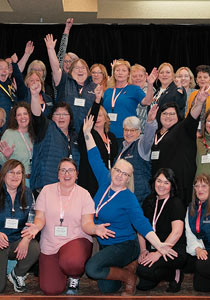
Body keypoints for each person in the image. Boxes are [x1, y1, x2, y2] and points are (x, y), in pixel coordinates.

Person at [81, 115, 176, 296]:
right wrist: (87, 133)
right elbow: (94, 157)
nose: (119, 175)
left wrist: (158, 244)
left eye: (125, 174)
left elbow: (141, 223)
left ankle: (129, 276)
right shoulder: (105, 180)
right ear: (113, 170)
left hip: (124, 244)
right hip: (105, 245)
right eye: (118, 170)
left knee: (92, 268)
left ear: (128, 178)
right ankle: (128, 270)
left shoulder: (128, 198)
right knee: (106, 288)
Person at [21, 159, 95, 295]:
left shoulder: (84, 194)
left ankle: (74, 276)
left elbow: (87, 224)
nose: (67, 174)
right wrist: (36, 227)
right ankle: (62, 270)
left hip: (75, 239)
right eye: (63, 170)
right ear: (58, 174)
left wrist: (95, 229)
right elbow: (40, 217)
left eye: (71, 170)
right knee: (51, 289)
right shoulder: (46, 190)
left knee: (72, 263)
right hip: (51, 243)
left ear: (77, 174)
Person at [0, 160, 40, 294]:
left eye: (19, 173)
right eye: (11, 172)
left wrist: (26, 240)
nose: (15, 176)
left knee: (34, 248)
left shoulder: (28, 194)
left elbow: (30, 222)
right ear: (3, 174)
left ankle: (17, 274)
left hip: (16, 240)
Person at [151, 86, 208, 207]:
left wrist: (199, 102)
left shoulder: (182, 128)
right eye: (165, 113)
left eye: (172, 114)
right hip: (161, 186)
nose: (168, 116)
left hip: (180, 185)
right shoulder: (156, 134)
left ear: (178, 116)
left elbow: (192, 117)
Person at [136, 168, 188, 292]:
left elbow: (177, 232)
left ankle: (175, 274)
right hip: (153, 247)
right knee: (143, 284)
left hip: (173, 249)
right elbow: (141, 229)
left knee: (144, 270)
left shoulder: (176, 203)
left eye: (166, 182)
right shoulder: (148, 201)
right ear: (154, 182)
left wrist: (159, 253)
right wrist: (143, 250)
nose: (161, 185)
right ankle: (164, 272)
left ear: (172, 185)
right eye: (159, 181)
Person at [30, 79, 80, 193]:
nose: (61, 117)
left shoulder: (75, 137)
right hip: (46, 186)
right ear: (51, 117)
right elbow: (37, 115)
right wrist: (34, 96)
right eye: (57, 114)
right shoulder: (47, 128)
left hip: (70, 188)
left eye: (65, 114)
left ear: (70, 118)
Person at [44, 33, 97, 134]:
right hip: (64, 131)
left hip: (87, 133)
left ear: (88, 71)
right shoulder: (64, 81)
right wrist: (51, 50)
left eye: (83, 68)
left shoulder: (94, 87)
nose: (80, 70)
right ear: (71, 71)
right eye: (77, 68)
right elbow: (56, 68)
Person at [102, 59, 156, 141]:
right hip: (107, 134)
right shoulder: (108, 91)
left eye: (123, 70)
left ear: (128, 74)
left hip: (127, 135)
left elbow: (147, 101)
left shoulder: (134, 89)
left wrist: (150, 84)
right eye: (117, 70)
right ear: (114, 73)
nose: (120, 73)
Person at [77, 88, 118, 197]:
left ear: (106, 118)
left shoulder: (112, 137)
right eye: (95, 116)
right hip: (90, 178)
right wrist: (97, 100)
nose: (97, 118)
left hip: (107, 179)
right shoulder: (87, 134)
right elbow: (92, 117)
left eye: (100, 115)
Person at [116, 105, 158, 204]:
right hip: (123, 195)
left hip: (140, 198)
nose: (128, 133)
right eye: (126, 130)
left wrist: (150, 122)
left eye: (132, 130)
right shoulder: (121, 147)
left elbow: (149, 137)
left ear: (139, 132)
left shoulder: (141, 145)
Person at [0, 102, 35, 187]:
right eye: (19, 115)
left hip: (33, 180)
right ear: (15, 118)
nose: (23, 117)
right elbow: (0, 160)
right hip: (16, 181)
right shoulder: (9, 134)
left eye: (25, 114)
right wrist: (6, 156)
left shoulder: (34, 135)